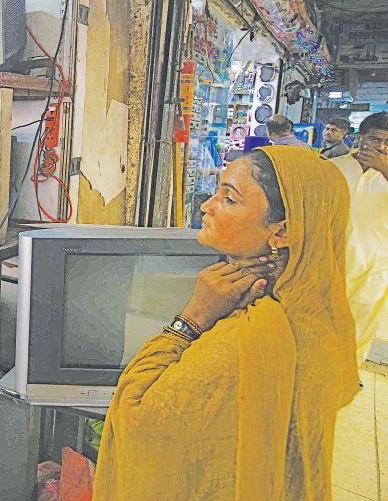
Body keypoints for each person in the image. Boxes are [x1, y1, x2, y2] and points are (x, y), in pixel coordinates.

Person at [94, 146, 358, 500]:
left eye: (229, 199)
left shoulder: (248, 335)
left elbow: (137, 416)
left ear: (282, 231)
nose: (208, 205)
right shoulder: (319, 313)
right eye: (217, 192)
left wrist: (192, 319)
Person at [330, 111, 388, 366]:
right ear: (360, 138)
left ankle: (349, 373)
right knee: (324, 320)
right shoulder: (334, 167)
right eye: (375, 139)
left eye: (387, 142)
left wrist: (383, 168)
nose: (381, 147)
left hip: (375, 265)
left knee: (361, 323)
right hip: (330, 260)